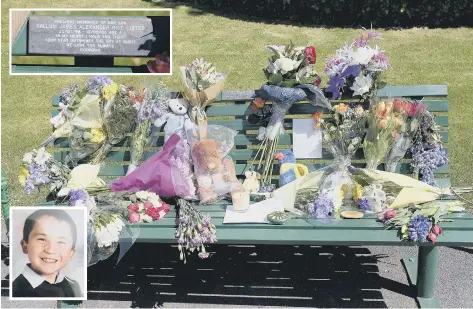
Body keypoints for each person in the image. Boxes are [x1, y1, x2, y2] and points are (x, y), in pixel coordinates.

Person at [12, 209, 83, 298]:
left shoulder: (74, 286)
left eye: (61, 242)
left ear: (71, 253)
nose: (50, 250)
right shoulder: (16, 291)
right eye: (42, 239)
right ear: (25, 246)